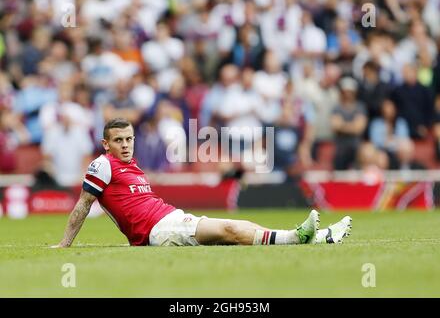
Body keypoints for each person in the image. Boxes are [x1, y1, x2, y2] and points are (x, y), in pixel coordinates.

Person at [52, 118, 352, 248]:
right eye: (119, 140)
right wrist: (65, 244)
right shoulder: (103, 164)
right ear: (106, 144)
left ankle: (316, 237)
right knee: (231, 229)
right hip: (159, 231)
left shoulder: (133, 167)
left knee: (233, 236)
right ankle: (297, 237)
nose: (126, 145)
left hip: (171, 219)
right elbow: (83, 204)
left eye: (129, 139)